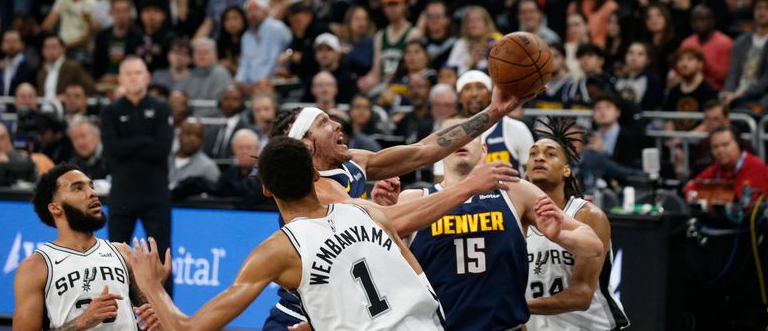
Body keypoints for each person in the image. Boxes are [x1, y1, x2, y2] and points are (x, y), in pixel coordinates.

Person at [262, 84, 538, 330]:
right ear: (306, 146)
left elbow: (424, 150)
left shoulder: (351, 163)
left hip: (353, 309)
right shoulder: (315, 190)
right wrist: (468, 187)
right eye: (323, 123)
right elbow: (388, 223)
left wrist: (494, 112)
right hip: (306, 315)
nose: (337, 124)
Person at [123, 137, 446, 330]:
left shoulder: (279, 250)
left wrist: (150, 284)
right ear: (316, 174)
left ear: (265, 189)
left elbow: (189, 328)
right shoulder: (368, 212)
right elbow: (422, 284)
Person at [392, 116, 604, 330]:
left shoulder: (515, 191)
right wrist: (382, 212)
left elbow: (593, 245)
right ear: (437, 151)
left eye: (468, 134)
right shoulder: (413, 199)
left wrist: (561, 235)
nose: (459, 140)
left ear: (483, 150)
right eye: (451, 136)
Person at [13, 164, 161, 330]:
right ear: (55, 208)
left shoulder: (122, 252)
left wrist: (157, 292)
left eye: (91, 186)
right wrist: (82, 322)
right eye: (78, 188)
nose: (92, 193)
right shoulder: (36, 266)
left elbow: (157, 323)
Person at [524, 118, 629, 330]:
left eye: (550, 154)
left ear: (566, 170)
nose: (539, 158)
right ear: (525, 169)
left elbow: (581, 295)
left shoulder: (588, 216)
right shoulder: (516, 218)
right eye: (533, 154)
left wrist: (518, 307)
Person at [101, 56, 174, 294]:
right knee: (114, 257)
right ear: (121, 79)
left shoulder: (161, 108)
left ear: (147, 77)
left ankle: (168, 318)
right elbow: (112, 149)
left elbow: (162, 148)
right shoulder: (110, 111)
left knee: (161, 257)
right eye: (129, 73)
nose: (133, 77)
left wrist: (129, 146)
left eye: (138, 72)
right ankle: (116, 311)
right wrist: (145, 142)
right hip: (122, 194)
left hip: (155, 195)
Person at [455, 70, 534, 174]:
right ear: (459, 97)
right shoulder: (451, 135)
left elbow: (532, 175)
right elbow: (442, 180)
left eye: (480, 87)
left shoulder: (516, 128)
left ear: (490, 94)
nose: (474, 94)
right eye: (467, 88)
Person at [357, 0, 422, 93]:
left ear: (404, 6)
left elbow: (415, 68)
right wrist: (366, 81)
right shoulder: (380, 35)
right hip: (384, 84)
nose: (392, 9)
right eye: (388, 5)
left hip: (404, 83)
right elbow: (376, 70)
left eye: (396, 4)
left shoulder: (413, 33)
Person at [683, 125, 768, 201]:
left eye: (725, 145)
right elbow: (690, 188)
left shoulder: (755, 165)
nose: (720, 150)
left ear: (738, 144)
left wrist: (709, 194)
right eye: (715, 147)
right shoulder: (717, 167)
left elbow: (741, 201)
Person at [721, 0, 768, 108]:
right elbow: (732, 73)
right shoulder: (740, 41)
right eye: (758, 8)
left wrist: (742, 94)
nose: (762, 12)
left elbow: (767, 80)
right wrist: (727, 92)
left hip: (761, 96)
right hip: (736, 94)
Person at [236, 0, 292, 90]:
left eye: (256, 9)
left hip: (273, 83)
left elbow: (274, 59)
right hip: (250, 86)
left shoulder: (277, 28)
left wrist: (262, 81)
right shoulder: (246, 36)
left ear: (266, 11)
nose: (252, 14)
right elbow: (245, 62)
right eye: (249, 11)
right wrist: (239, 81)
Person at [679, 5, 733, 91]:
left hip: (714, 90)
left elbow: (724, 76)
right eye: (695, 20)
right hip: (688, 88)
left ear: (712, 21)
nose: (698, 23)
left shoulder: (725, 43)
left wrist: (703, 61)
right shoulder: (686, 43)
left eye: (703, 19)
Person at [168, 118, 221, 193]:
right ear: (179, 135)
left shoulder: (208, 167)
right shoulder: (163, 160)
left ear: (203, 140)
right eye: (188, 133)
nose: (192, 139)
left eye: (198, 136)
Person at [37, 35, 96, 100]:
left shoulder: (73, 67)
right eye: (47, 47)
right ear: (43, 51)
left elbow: (90, 87)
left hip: (66, 107)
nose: (50, 51)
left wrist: (69, 96)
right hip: (44, 107)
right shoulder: (42, 72)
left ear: (63, 49)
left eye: (54, 47)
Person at [203, 85, 252, 160]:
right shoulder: (211, 127)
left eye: (235, 99)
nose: (230, 102)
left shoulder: (247, 128)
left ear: (241, 103)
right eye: (226, 99)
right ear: (220, 102)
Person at [213, 128, 263, 202]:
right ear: (233, 150)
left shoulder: (264, 176)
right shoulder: (227, 176)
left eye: (248, 147)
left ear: (257, 149)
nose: (244, 152)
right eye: (240, 148)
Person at [0, 30, 37, 96]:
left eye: (15, 41)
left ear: (22, 45)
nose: (11, 45)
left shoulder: (30, 68)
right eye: (7, 42)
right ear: (1, 45)